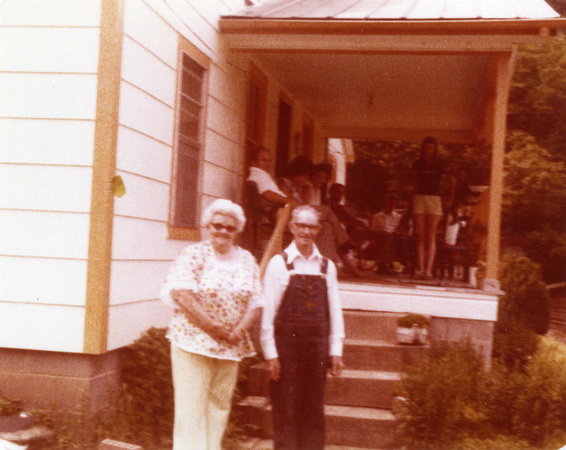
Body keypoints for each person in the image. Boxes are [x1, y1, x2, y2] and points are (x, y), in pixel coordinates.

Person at [160, 199, 263, 449]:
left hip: (230, 343)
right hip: (193, 342)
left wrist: (240, 330)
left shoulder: (247, 259)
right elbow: (181, 294)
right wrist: (212, 327)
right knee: (190, 406)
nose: (223, 231)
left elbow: (257, 301)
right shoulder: (194, 254)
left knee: (219, 404)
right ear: (208, 226)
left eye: (230, 227)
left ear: (237, 230)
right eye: (218, 225)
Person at [261, 205, 345, 450]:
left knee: (313, 407)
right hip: (286, 346)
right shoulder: (279, 264)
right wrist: (270, 354)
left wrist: (335, 349)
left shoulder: (326, 266)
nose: (306, 231)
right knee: (285, 406)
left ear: (318, 230)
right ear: (291, 227)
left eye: (312, 226)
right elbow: (269, 311)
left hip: (316, 346)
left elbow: (334, 308)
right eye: (301, 225)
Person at [412, 136, 455, 280]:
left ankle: (428, 270)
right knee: (421, 237)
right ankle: (421, 269)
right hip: (419, 198)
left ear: (435, 148)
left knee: (431, 237)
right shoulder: (418, 163)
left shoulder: (441, 164)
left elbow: (452, 182)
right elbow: (415, 183)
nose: (428, 150)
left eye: (431, 147)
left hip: (435, 200)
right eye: (426, 147)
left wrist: (449, 198)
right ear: (423, 148)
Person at [369, 194, 402, 274]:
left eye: (393, 204)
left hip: (394, 237)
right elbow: (373, 231)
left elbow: (400, 230)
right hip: (381, 237)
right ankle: (384, 264)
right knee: (388, 236)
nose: (391, 205)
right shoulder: (377, 216)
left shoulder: (398, 217)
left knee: (391, 237)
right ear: (386, 203)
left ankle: (383, 265)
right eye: (389, 203)